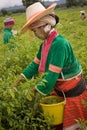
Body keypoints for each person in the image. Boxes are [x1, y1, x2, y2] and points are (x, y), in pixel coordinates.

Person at [13, 2, 87, 130]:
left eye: (35, 30)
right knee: (58, 122)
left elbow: (51, 76)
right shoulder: (45, 45)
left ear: (45, 26)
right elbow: (34, 65)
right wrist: (18, 81)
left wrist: (32, 92)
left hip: (73, 93)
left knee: (74, 125)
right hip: (61, 90)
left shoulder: (60, 44)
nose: (35, 34)